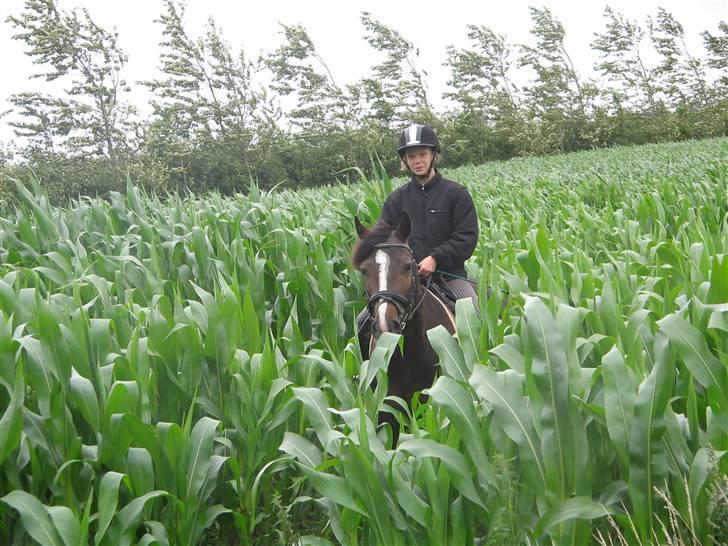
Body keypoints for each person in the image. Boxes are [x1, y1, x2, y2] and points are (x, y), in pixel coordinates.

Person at [356, 123, 479, 345]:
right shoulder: (397, 199)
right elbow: (382, 240)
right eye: (411, 156)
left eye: (422, 154)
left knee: (474, 311)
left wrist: (435, 257)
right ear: (405, 161)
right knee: (363, 321)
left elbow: (466, 238)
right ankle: (369, 376)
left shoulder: (456, 194)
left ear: (433, 155)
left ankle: (482, 366)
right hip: (402, 279)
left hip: (448, 276)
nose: (417, 160)